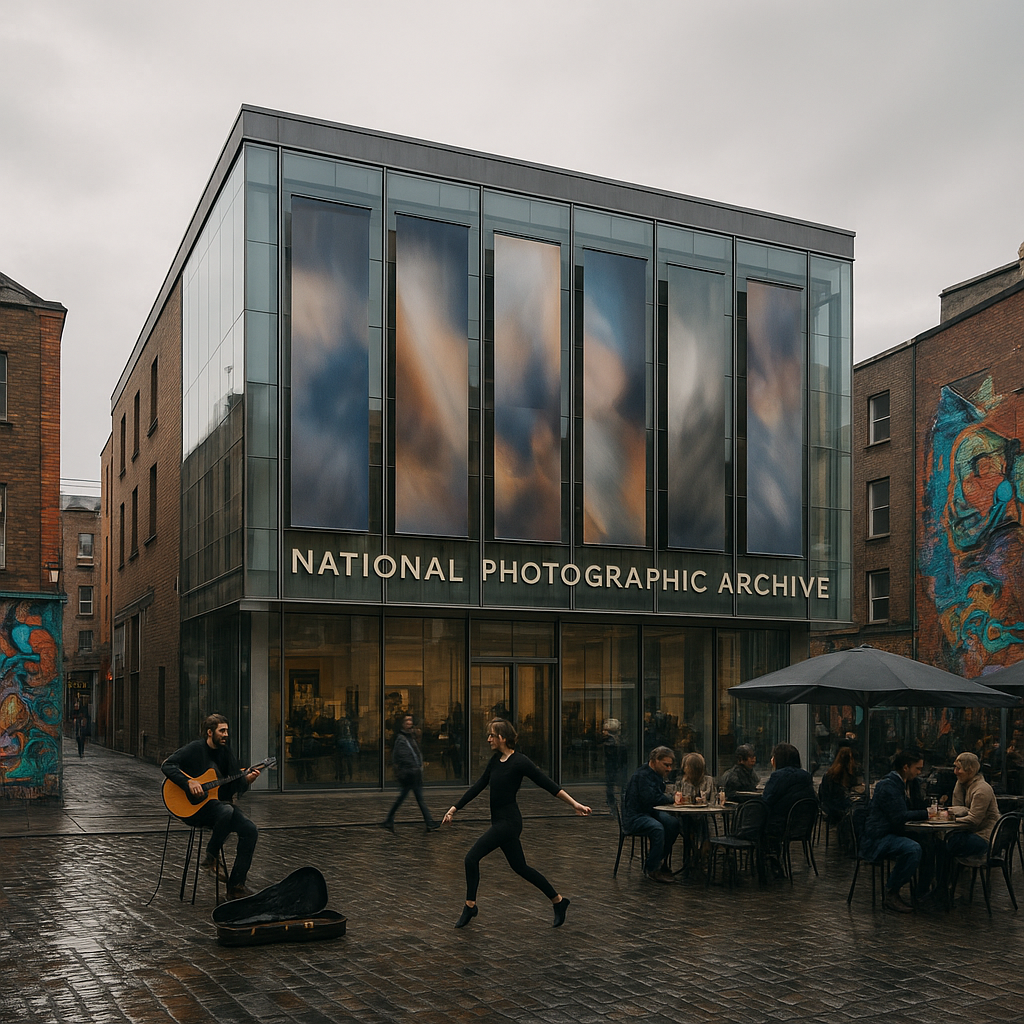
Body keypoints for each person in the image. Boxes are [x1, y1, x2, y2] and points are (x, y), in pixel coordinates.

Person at [442, 719, 590, 928]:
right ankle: (558, 901)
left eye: (492, 735)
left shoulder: (520, 762)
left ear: (502, 737)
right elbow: (478, 786)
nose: (489, 739)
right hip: (501, 822)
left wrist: (575, 804)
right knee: (520, 867)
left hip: (508, 823)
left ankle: (470, 906)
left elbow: (548, 784)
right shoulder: (495, 761)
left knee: (471, 858)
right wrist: (454, 808)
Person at [162, 713, 261, 900]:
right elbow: (168, 765)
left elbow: (229, 787)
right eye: (222, 731)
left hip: (218, 808)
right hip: (194, 810)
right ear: (210, 732)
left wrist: (246, 780)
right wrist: (188, 782)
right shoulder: (195, 748)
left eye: (227, 731)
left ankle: (236, 886)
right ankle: (212, 857)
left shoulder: (226, 753)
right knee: (227, 810)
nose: (226, 735)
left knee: (250, 830)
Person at [859, 749, 929, 913]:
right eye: (917, 769)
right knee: (912, 849)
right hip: (878, 837)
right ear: (906, 767)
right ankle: (892, 891)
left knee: (931, 844)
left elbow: (914, 806)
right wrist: (927, 813)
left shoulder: (909, 784)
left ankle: (925, 891)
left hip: (893, 832)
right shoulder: (888, 786)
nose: (919, 773)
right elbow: (899, 817)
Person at [622, 746, 679, 884]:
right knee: (657, 828)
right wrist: (672, 798)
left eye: (670, 765)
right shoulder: (642, 776)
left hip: (649, 812)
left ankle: (657, 858)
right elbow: (652, 799)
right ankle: (652, 868)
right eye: (666, 765)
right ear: (654, 761)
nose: (669, 769)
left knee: (673, 823)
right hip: (635, 816)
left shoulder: (655, 775)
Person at [382, 714, 439, 832]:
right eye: (406, 720)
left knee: (409, 798)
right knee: (410, 798)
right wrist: (413, 768)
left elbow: (416, 753)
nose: (409, 722)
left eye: (410, 720)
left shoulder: (411, 737)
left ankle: (389, 819)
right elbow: (402, 756)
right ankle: (429, 822)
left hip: (414, 774)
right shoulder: (401, 739)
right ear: (402, 723)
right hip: (409, 774)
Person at [947, 751, 999, 858]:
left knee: (951, 843)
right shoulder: (963, 784)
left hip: (985, 837)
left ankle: (948, 874)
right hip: (970, 832)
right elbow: (957, 808)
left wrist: (948, 818)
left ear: (970, 771)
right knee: (940, 840)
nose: (955, 772)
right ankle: (948, 874)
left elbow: (974, 819)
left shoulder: (982, 789)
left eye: (958, 768)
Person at [818, 746, 863, 826]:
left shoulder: (831, 773)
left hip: (829, 805)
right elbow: (841, 796)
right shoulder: (841, 774)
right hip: (837, 807)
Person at [601, 718, 629, 808]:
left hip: (614, 766)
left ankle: (613, 802)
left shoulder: (611, 742)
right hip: (617, 765)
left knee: (611, 785)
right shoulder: (618, 740)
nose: (603, 732)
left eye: (605, 730)